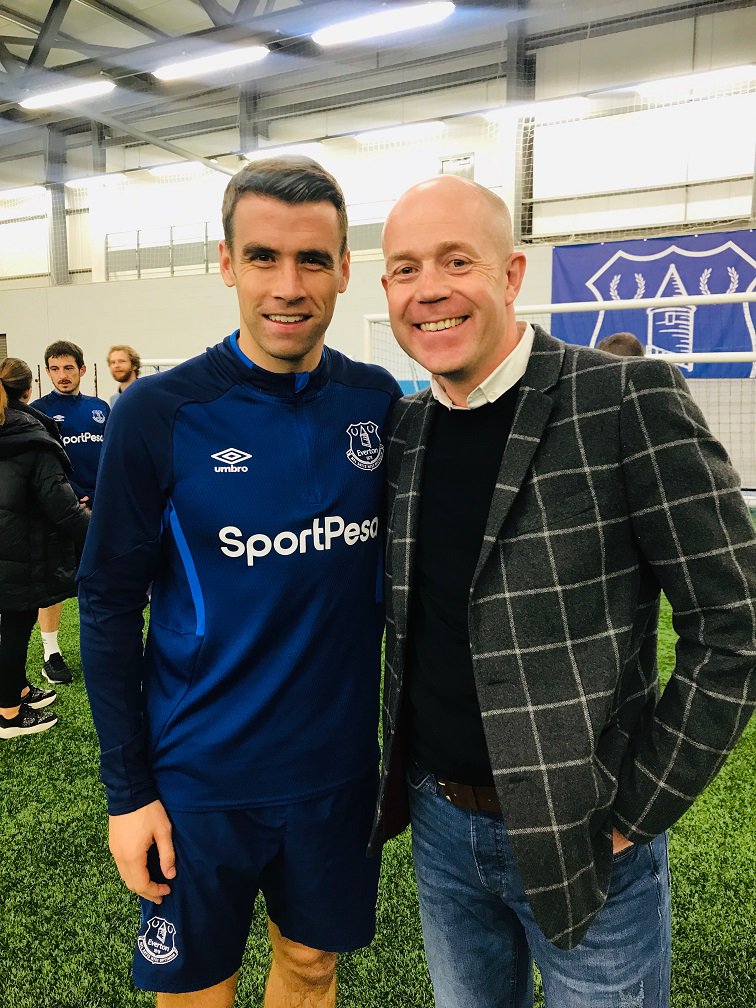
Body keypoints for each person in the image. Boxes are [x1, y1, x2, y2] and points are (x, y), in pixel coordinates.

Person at [368, 175, 756, 1008]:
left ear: (510, 276)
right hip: (440, 832)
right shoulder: (405, 430)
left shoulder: (623, 399)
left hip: (590, 834)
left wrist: (639, 810)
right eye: (404, 269)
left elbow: (736, 623)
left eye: (454, 260)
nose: (428, 289)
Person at [78, 157, 400, 1007]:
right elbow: (108, 607)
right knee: (196, 993)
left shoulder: (377, 404)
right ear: (226, 264)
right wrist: (128, 792)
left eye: (312, 260)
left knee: (311, 968)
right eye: (262, 257)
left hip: (336, 776)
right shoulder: (160, 412)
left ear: (342, 269)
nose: (287, 286)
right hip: (199, 782)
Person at [0, 358, 90, 739]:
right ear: (30, 387)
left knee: (12, 626)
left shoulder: (17, 431)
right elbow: (63, 509)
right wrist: (102, 537)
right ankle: (8, 714)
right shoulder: (32, 437)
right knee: (16, 627)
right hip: (19, 550)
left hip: (12, 545)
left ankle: (18, 689)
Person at [31, 340, 109, 685]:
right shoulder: (37, 411)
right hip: (62, 510)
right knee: (55, 585)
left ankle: (105, 645)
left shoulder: (101, 407)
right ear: (46, 372)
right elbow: (41, 467)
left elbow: (112, 455)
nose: (61, 375)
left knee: (103, 579)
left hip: (103, 507)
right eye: (54, 369)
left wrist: (101, 495)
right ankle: (51, 653)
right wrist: (70, 497)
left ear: (82, 369)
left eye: (67, 368)